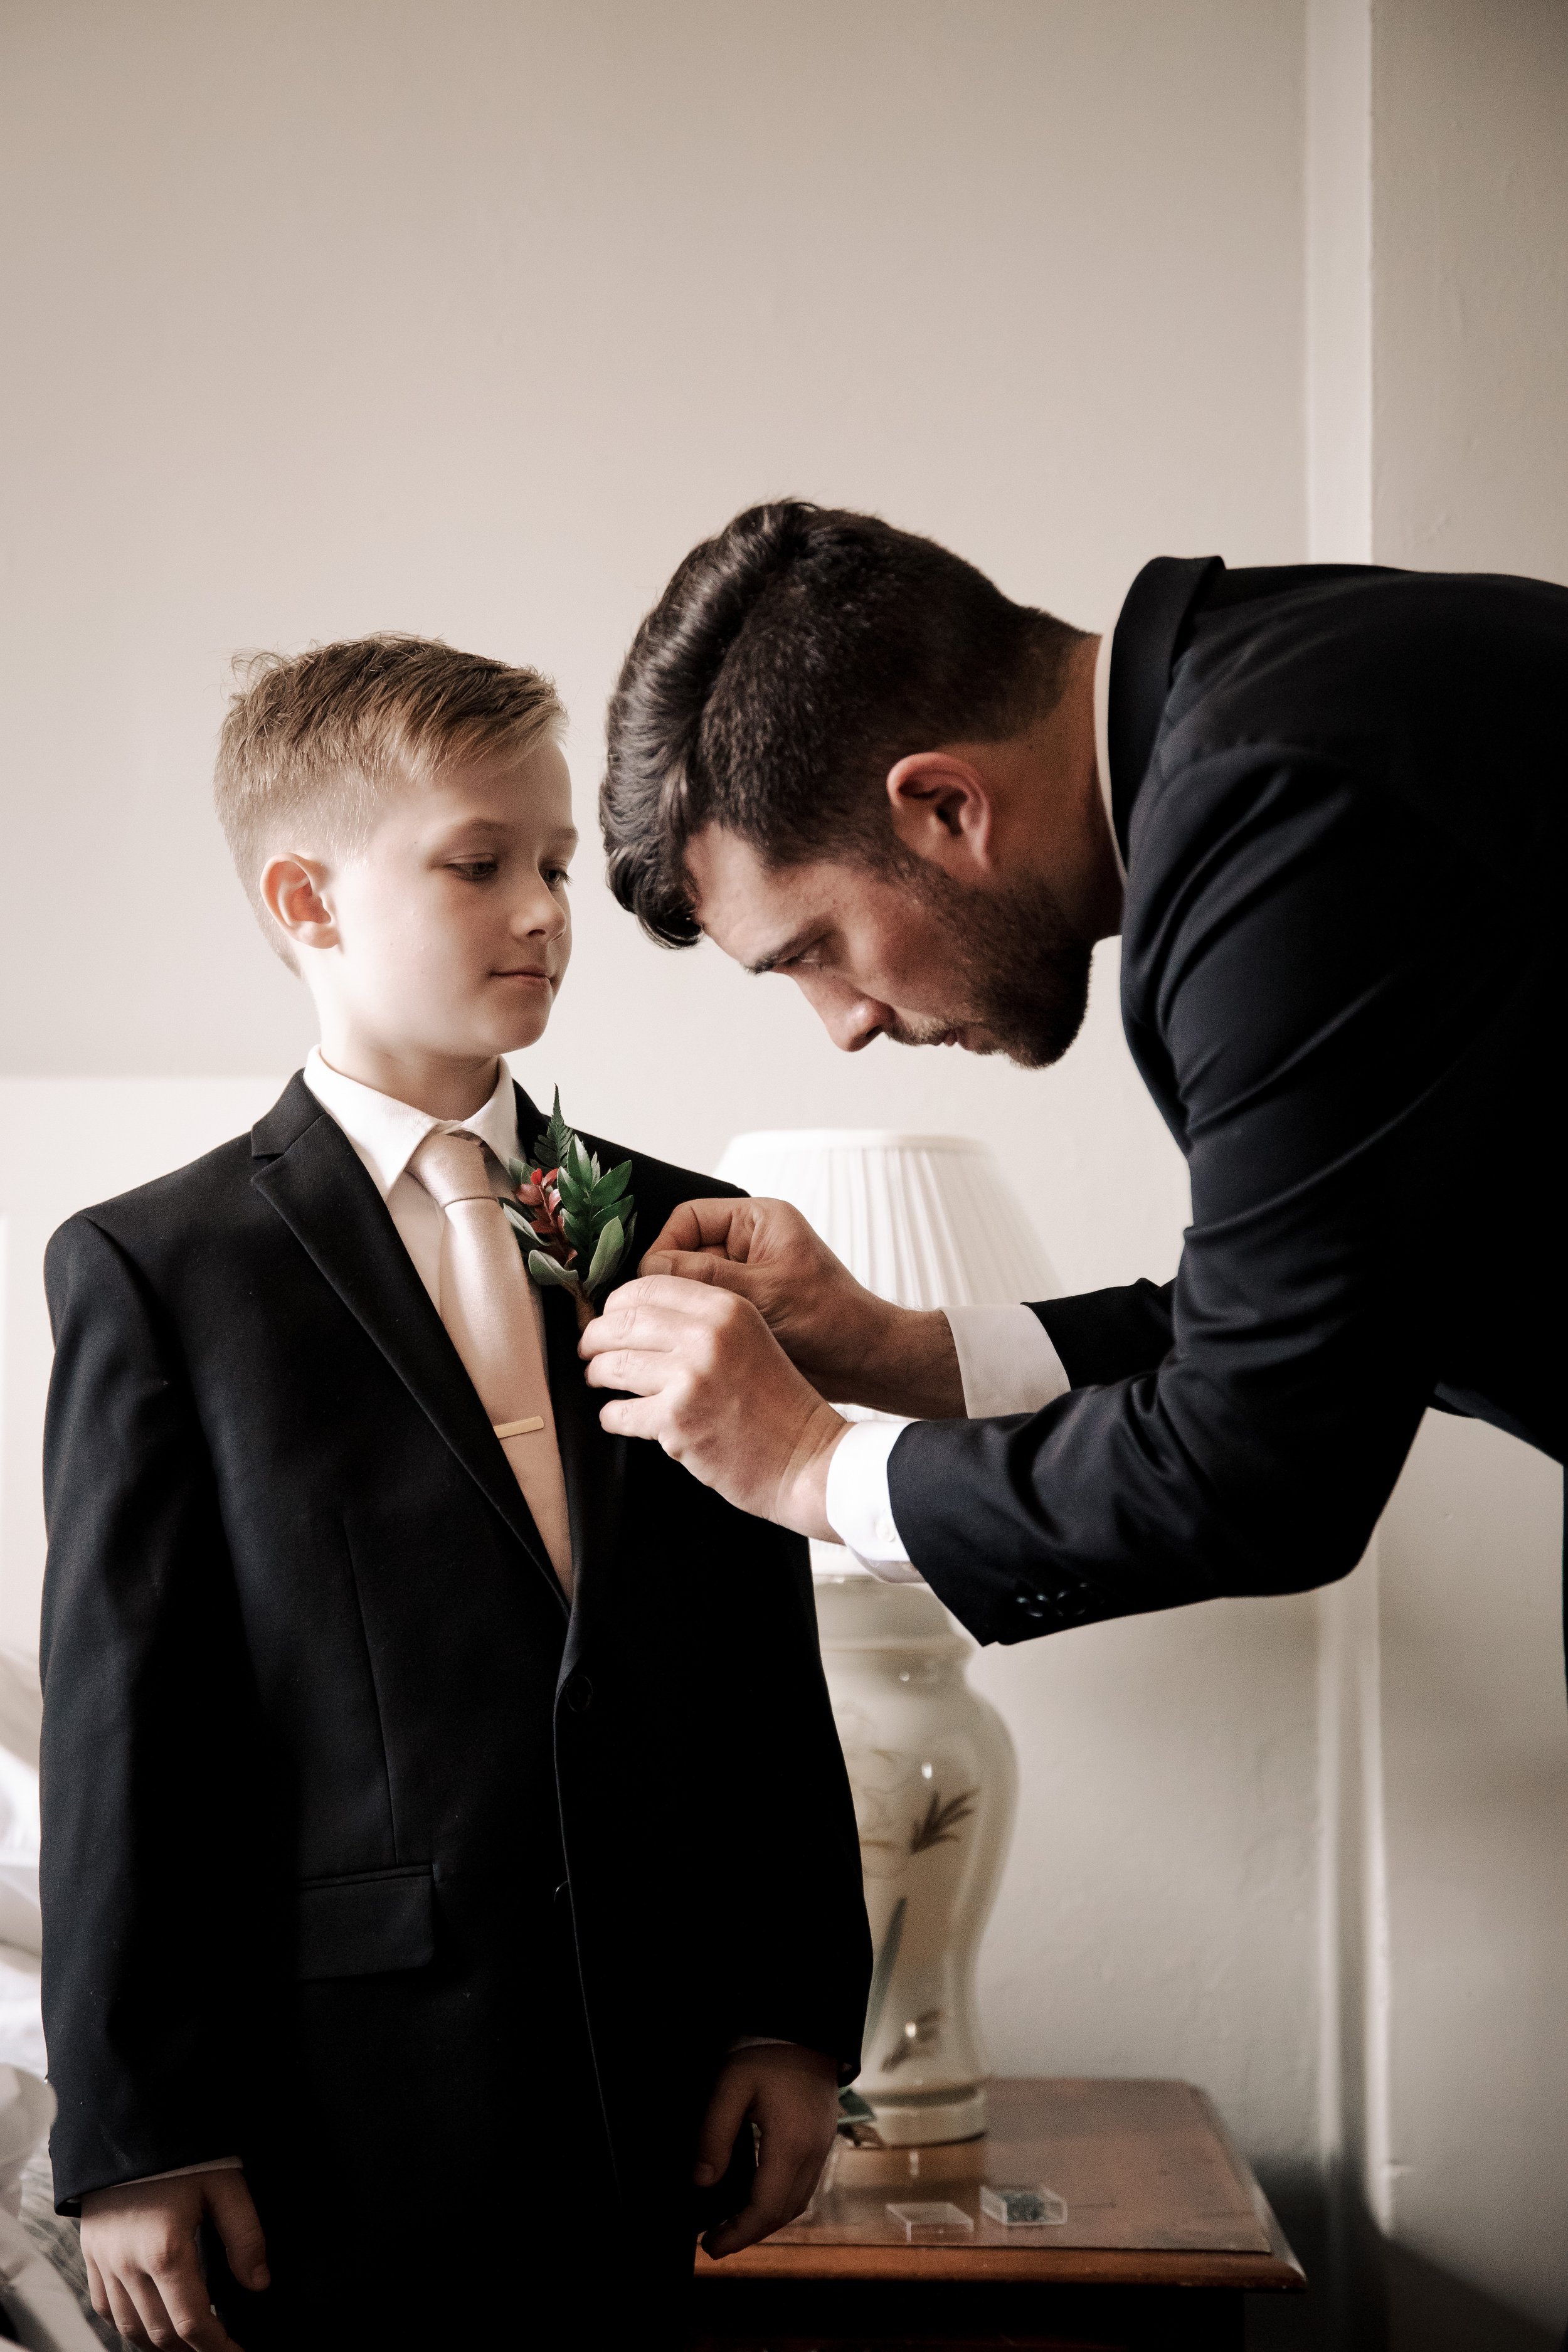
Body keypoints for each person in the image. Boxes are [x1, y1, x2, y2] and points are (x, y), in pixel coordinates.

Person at [39, 635, 869, 2352]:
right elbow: (132, 1716)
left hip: (640, 2071)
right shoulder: (157, 1269)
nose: (545, 907)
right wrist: (134, 2129)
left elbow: (751, 1651)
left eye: (556, 861)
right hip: (338, 2099)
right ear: (308, 898)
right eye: (478, 861)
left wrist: (789, 2010)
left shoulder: (672, 1223)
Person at [580, 501, 1563, 1657]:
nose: (843, 1024)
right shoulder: (1275, 685)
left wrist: (811, 1464)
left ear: (946, 806)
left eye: (814, 949)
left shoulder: (1273, 811)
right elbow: (1293, 1317)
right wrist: (898, 1349)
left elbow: (1258, 1460)